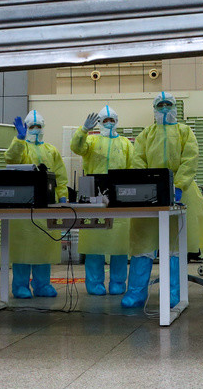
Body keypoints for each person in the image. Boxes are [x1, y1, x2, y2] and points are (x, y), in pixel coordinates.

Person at [122, 91, 203, 308]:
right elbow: (138, 160)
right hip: (150, 195)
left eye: (168, 104)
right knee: (142, 242)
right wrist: (148, 184)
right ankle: (135, 293)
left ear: (175, 107)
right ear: (154, 108)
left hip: (182, 192)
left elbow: (190, 159)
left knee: (175, 245)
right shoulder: (146, 134)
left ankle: (174, 294)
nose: (164, 108)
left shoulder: (185, 132)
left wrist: (178, 185)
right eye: (160, 104)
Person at [70, 105, 132, 295]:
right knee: (94, 240)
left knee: (120, 242)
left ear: (117, 121)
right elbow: (76, 147)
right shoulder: (91, 141)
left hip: (119, 196)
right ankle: (94, 283)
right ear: (99, 123)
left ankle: (118, 283)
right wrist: (83, 130)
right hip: (93, 195)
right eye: (104, 120)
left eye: (111, 120)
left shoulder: (126, 143)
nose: (108, 123)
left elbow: (133, 167)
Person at [5, 110, 68, 299]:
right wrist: (19, 139)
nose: (35, 129)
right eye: (31, 126)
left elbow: (60, 177)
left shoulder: (51, 150)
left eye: (38, 126)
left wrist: (62, 196)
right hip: (23, 206)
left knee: (44, 247)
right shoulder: (21, 146)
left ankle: (43, 285)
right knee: (23, 248)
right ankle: (20, 286)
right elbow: (11, 159)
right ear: (25, 128)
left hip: (47, 206)